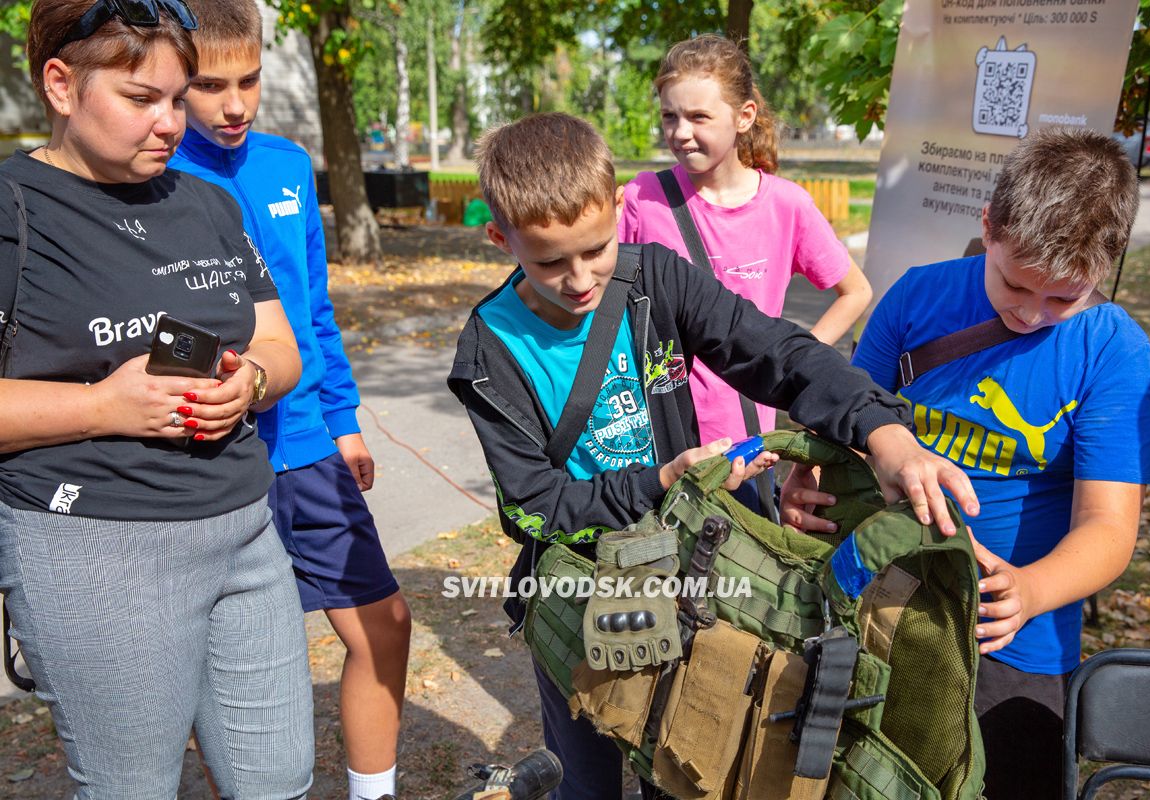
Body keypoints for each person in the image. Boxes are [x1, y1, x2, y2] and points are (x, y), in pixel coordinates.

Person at [446, 112, 979, 800]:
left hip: (686, 583)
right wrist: (662, 483)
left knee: (687, 766)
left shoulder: (657, 280)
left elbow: (778, 354)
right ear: (500, 236)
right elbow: (533, 508)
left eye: (597, 249)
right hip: (576, 595)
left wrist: (885, 433)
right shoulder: (489, 352)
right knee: (588, 776)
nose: (580, 279)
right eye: (550, 260)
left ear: (617, 209)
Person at [0, 1, 313, 798]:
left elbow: (281, 347)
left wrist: (250, 385)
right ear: (62, 86)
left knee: (278, 780)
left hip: (244, 532)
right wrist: (98, 408)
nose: (170, 122)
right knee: (131, 788)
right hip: (95, 546)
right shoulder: (13, 209)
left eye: (178, 99)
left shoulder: (208, 204)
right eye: (141, 99)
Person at [847, 127, 1150, 800]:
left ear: (1104, 269)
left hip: (1011, 647)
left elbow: (1109, 527)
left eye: (1062, 299)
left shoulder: (1113, 351)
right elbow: (850, 422)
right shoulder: (915, 297)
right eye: (1016, 286)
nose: (1030, 314)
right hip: (881, 609)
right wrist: (817, 479)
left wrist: (1030, 592)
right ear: (988, 227)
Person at [168, 3, 411, 799]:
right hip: (216, 452)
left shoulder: (287, 165)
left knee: (385, 626)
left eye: (249, 79)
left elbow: (313, 311)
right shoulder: (157, 175)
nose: (234, 105)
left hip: (307, 444)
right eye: (208, 85)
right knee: (226, 663)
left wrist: (341, 422)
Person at [619, 35, 872, 521]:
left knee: (731, 588)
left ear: (745, 117)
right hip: (657, 439)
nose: (681, 132)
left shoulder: (786, 204)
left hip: (746, 448)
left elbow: (855, 291)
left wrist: (793, 367)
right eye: (670, 116)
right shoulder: (641, 197)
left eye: (698, 117)